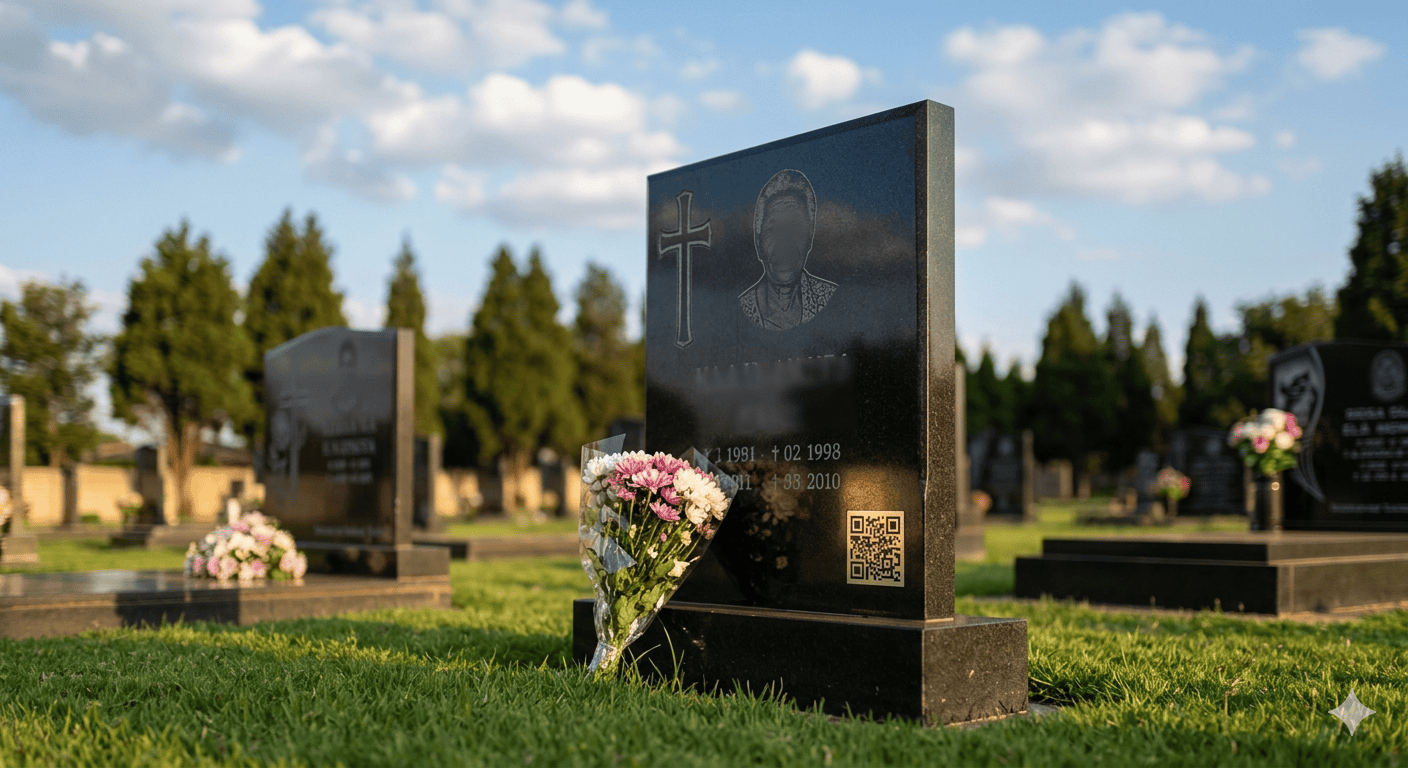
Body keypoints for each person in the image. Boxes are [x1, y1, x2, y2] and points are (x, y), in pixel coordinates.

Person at [738, 169, 837, 331]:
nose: (785, 243)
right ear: (758, 242)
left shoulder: (832, 297)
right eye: (774, 229)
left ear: (810, 238)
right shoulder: (741, 307)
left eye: (795, 228)